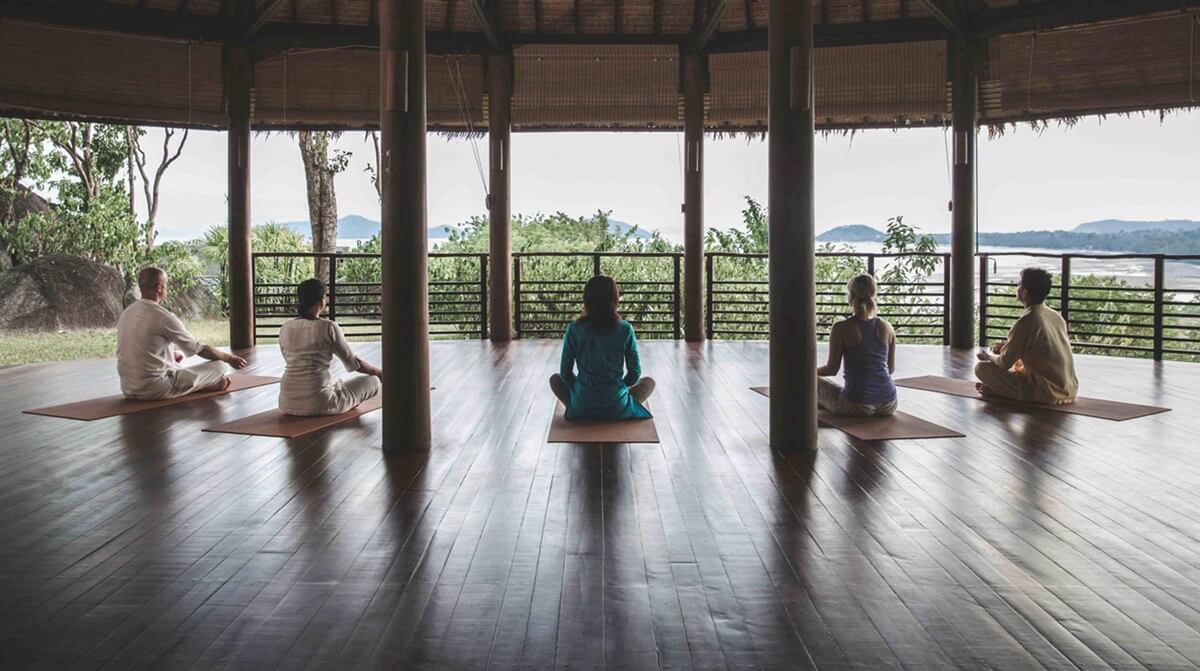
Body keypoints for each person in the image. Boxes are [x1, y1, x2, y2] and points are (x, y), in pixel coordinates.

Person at [117, 266, 248, 400]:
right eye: (166, 285)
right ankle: (205, 386)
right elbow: (202, 350)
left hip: (128, 387)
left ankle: (200, 385)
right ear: (159, 288)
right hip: (155, 389)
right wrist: (230, 359)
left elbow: (139, 347)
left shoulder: (127, 313)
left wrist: (170, 355)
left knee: (176, 364)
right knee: (219, 366)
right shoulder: (163, 316)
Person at [549, 275, 655, 420]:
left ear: (586, 299)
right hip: (617, 406)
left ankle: (577, 406)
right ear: (614, 298)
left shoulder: (574, 329)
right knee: (649, 382)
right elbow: (634, 373)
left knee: (555, 379)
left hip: (583, 403)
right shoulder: (625, 329)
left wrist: (580, 389)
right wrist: (620, 387)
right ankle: (618, 404)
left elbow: (565, 373)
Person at [278, 278, 383, 416]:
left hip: (286, 402)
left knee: (335, 383)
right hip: (320, 403)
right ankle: (347, 401)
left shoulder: (285, 328)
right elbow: (353, 363)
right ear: (322, 300)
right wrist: (380, 374)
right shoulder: (328, 327)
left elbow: (288, 359)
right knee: (373, 381)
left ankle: (344, 398)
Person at [975, 267, 1078, 404]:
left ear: (1024, 292)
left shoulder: (1028, 320)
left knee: (981, 369)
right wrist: (1006, 348)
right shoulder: (1055, 316)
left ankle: (1001, 393)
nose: (1016, 288)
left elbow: (1004, 363)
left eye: (1018, 284)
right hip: (1069, 389)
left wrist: (988, 356)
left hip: (1047, 392)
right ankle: (1000, 391)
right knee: (1013, 372)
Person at [815, 274, 899, 417]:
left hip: (856, 405)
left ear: (851, 296)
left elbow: (831, 369)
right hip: (889, 403)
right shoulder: (887, 327)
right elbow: (890, 369)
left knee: (814, 381)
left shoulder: (841, 328)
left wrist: (806, 371)